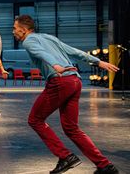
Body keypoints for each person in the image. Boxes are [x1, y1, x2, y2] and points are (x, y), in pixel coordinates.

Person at [13, 15, 119, 174]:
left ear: (23, 29)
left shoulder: (29, 41)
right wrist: (98, 61)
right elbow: (74, 51)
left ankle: (65, 157)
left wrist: (55, 64)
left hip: (60, 81)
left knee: (35, 119)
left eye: (15, 28)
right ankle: (105, 165)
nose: (13, 31)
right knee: (71, 128)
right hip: (75, 81)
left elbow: (42, 53)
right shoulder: (49, 37)